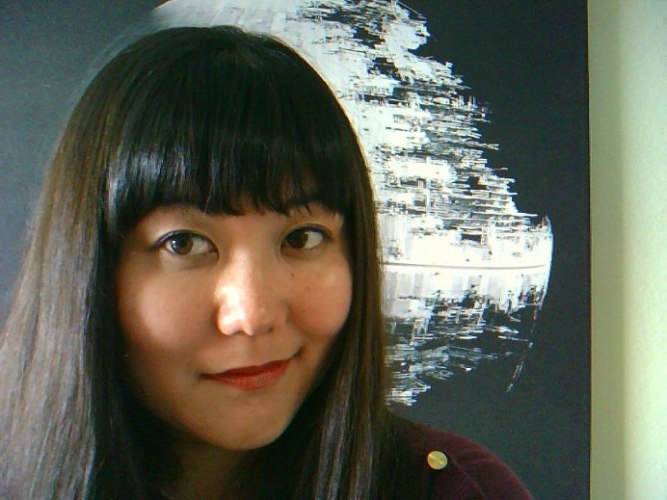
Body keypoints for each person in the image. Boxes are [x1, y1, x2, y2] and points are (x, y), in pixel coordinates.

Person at [0, 26, 531, 499]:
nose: (252, 315)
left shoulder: (457, 491)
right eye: (184, 244)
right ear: (94, 272)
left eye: (302, 237)